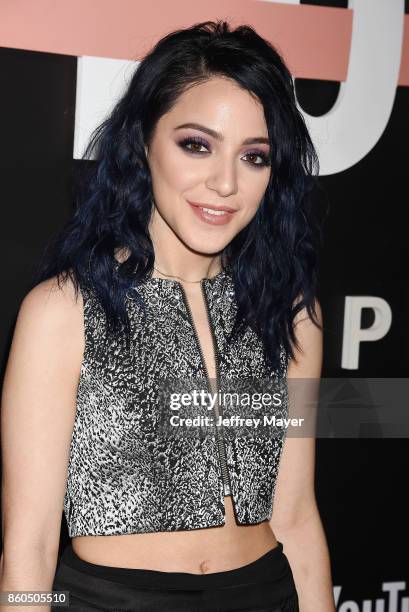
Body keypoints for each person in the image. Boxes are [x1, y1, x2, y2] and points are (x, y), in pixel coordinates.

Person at [0, 20, 335, 612]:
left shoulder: (291, 314)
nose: (225, 183)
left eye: (254, 157)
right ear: (143, 144)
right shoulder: (64, 312)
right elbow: (28, 543)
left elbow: (297, 514)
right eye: (196, 145)